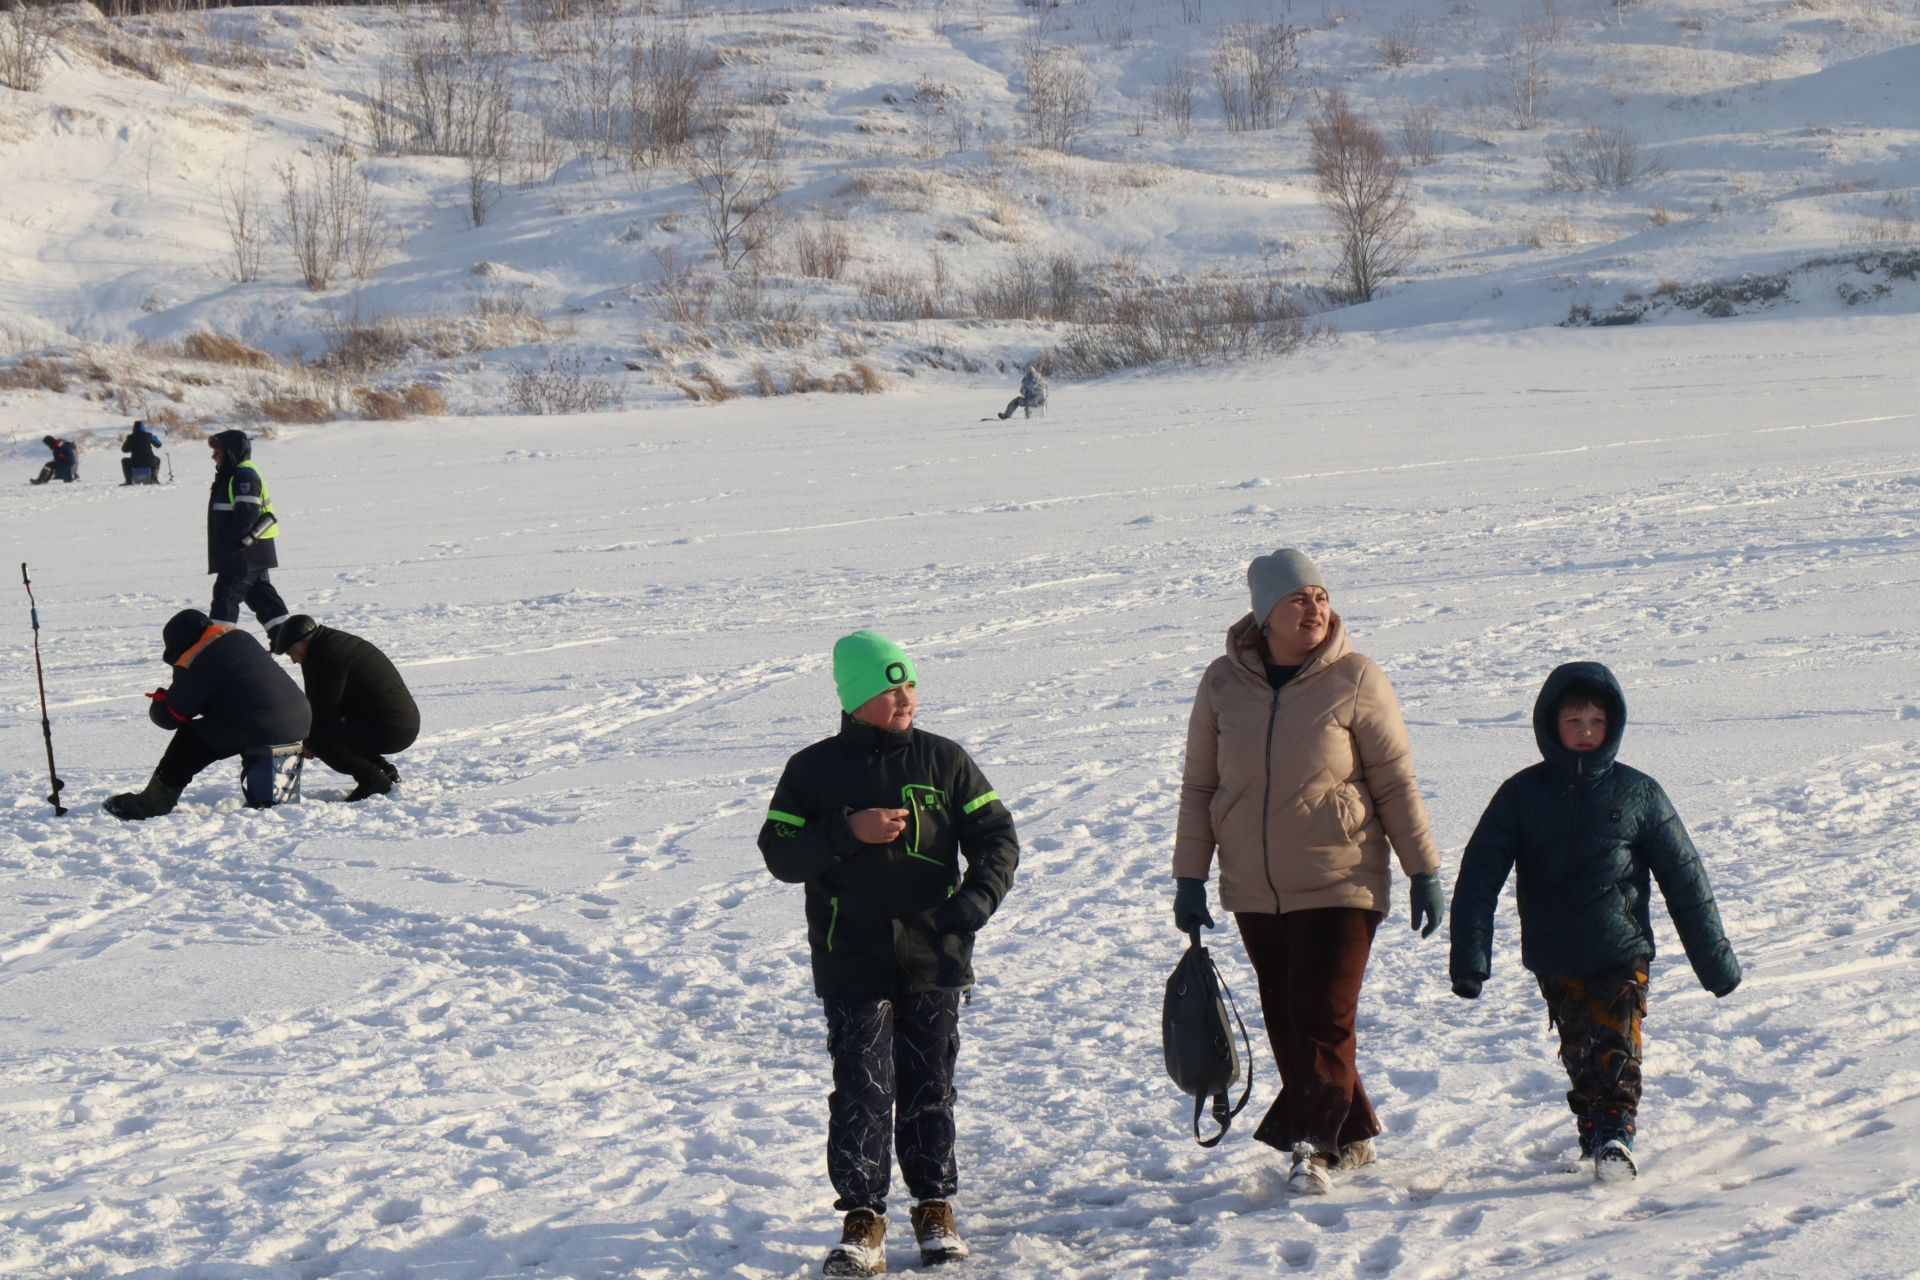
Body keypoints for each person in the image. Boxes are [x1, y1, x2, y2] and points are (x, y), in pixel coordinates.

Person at [1171, 548, 1443, 1195]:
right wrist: (1190, 876)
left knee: (1323, 1014)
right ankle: (1350, 1132)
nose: (1315, 608)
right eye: (1298, 599)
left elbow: (1395, 780)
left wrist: (1422, 868)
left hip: (1342, 876)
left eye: (1320, 596)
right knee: (1287, 1017)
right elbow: (1199, 786)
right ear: (1265, 616)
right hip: (1256, 886)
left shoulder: (1355, 678)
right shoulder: (1221, 684)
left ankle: (1312, 1145)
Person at [758, 631, 1019, 1278]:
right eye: (889, 688)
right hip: (852, 958)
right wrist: (846, 832)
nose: (905, 698)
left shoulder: (945, 761)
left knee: (930, 1086)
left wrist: (974, 904)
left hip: (935, 956)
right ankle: (862, 1220)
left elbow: (997, 837)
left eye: (909, 685)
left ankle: (935, 1207)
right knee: (863, 1090)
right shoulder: (812, 770)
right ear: (854, 698)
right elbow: (779, 853)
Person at [1448, 661, 1740, 1182]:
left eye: (1596, 722)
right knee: (1580, 1050)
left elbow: (1686, 881)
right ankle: (1593, 1130)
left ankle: (1615, 1134)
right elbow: (1478, 877)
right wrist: (1471, 961)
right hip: (1553, 954)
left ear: (1614, 726)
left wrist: (1715, 964)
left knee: (1617, 1046)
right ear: (1550, 724)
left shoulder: (1638, 793)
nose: (1585, 732)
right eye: (1573, 721)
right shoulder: (1522, 794)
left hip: (1621, 948)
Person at [104, 609, 312, 820]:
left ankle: (152, 803)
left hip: (263, 724)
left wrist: (159, 701)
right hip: (298, 719)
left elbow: (171, 717)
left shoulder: (196, 656)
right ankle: (269, 794)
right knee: (237, 722)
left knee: (190, 738)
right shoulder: (237, 635)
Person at [274, 615, 419, 801]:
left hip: (391, 727)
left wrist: (310, 744)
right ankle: (381, 769)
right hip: (398, 722)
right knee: (333, 729)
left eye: (290, 653)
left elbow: (324, 709)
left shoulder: (327, 655)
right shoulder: (328, 644)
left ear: (302, 643)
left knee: (320, 738)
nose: (293, 660)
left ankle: (373, 780)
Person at [206, 428, 292, 641]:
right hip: (253, 551)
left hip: (245, 551)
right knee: (261, 596)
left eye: (217, 451)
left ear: (231, 451)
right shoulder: (234, 473)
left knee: (226, 596)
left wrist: (233, 548)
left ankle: (217, 645)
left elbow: (247, 514)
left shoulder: (244, 474)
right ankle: (291, 639)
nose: (213, 456)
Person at [121, 420, 162, 484]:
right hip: (149, 462)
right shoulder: (149, 436)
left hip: (135, 463)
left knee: (124, 461)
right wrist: (155, 438)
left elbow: (124, 449)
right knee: (157, 460)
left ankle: (128, 481)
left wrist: (132, 446)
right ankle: (154, 479)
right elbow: (158, 445)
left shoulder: (131, 437)